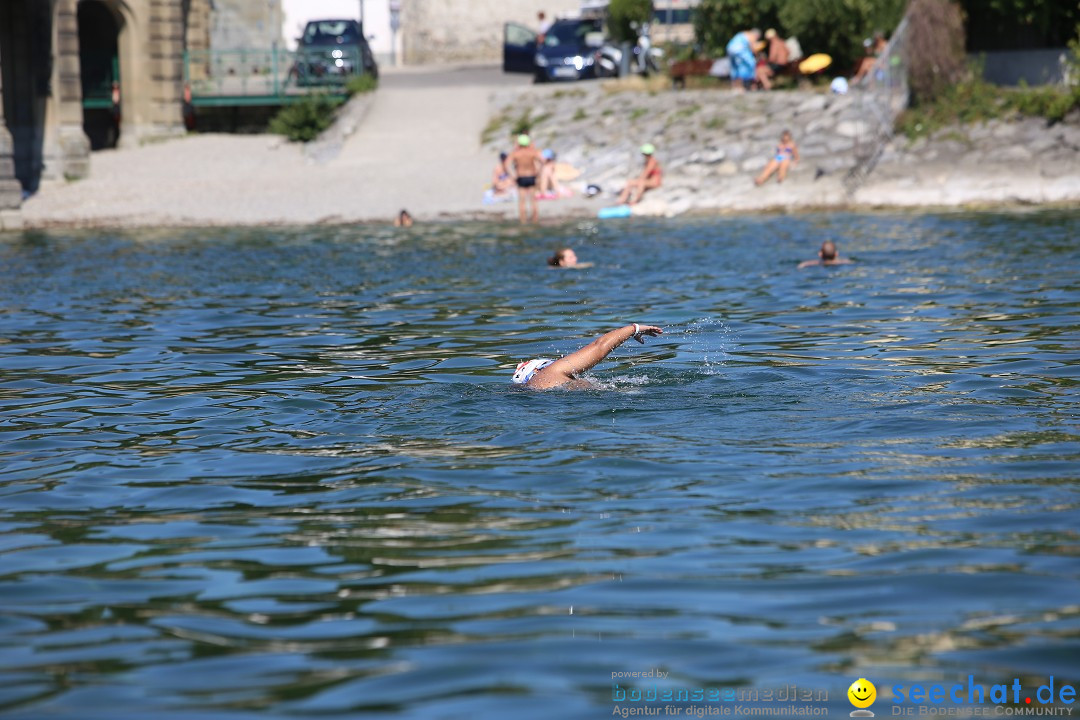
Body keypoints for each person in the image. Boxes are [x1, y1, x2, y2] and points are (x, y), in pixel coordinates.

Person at [512, 323, 664, 390]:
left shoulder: (532, 387)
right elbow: (599, 347)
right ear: (537, 371)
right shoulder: (549, 373)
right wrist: (633, 329)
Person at [507, 134, 544, 224]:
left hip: (521, 177)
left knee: (522, 201)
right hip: (531, 176)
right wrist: (538, 172)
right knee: (533, 200)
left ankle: (523, 222)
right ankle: (535, 221)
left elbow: (506, 164)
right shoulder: (532, 152)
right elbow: (542, 161)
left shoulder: (516, 153)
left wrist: (513, 175)